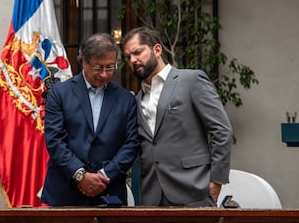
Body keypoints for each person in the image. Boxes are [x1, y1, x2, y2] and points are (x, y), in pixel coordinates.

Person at [120, 27, 233, 207]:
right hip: (151, 196)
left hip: (194, 189)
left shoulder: (191, 80)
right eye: (128, 57)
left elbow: (222, 130)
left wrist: (216, 179)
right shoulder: (136, 99)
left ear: (157, 50)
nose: (133, 60)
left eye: (137, 52)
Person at [41, 33, 140, 206]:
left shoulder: (126, 100)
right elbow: (55, 140)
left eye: (110, 67)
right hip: (65, 191)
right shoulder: (60, 94)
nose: (104, 74)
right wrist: (80, 175)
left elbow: (131, 144)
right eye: (98, 68)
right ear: (83, 62)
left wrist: (104, 175)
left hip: (109, 191)